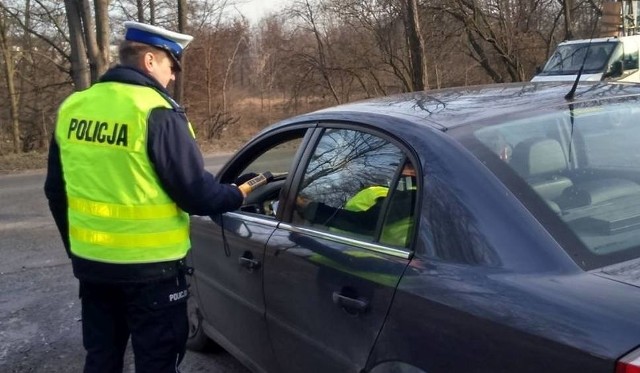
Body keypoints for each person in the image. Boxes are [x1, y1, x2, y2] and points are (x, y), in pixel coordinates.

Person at [44, 21, 252, 373]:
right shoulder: (156, 111)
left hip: (94, 270)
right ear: (151, 60)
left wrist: (81, 251)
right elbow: (195, 194)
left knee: (101, 358)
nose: (172, 78)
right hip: (152, 274)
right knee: (157, 360)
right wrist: (236, 194)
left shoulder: (74, 107)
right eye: (172, 67)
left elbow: (55, 191)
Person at [296, 162, 417, 247]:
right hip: (372, 260)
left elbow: (365, 223)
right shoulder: (424, 198)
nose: (397, 171)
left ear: (413, 170)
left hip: (362, 264)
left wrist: (309, 207)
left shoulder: (410, 198)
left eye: (403, 166)